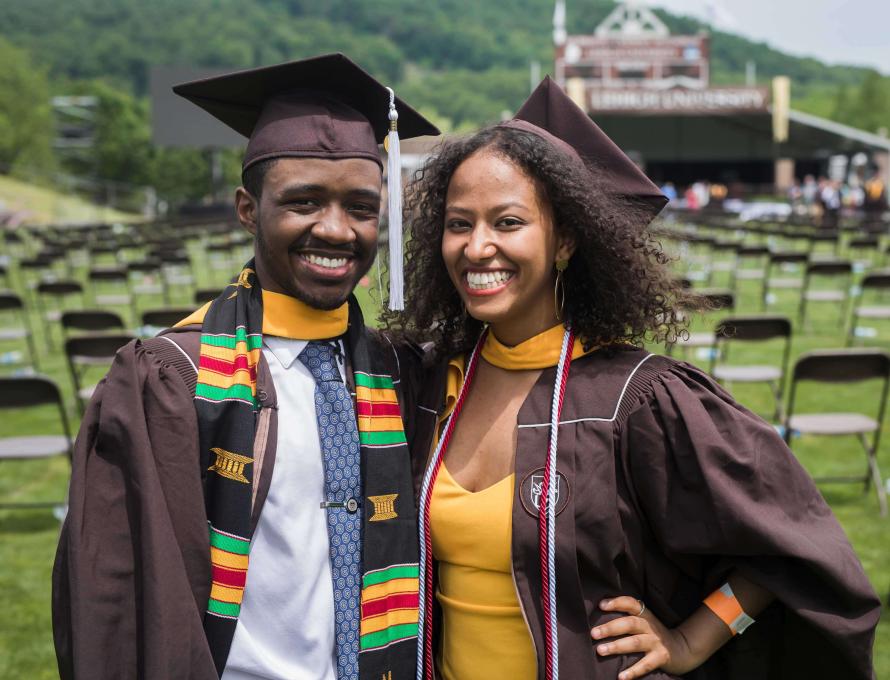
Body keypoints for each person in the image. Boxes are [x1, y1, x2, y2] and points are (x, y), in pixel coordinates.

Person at [383, 77, 880, 679]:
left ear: (564, 241)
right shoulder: (432, 382)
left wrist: (693, 640)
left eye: (508, 222)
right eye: (459, 224)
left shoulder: (637, 399)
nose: (477, 246)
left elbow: (789, 542)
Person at [52, 53, 438, 680]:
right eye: (304, 201)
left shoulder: (399, 374)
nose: (336, 230)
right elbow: (115, 597)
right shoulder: (170, 379)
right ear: (246, 208)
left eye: (362, 208)